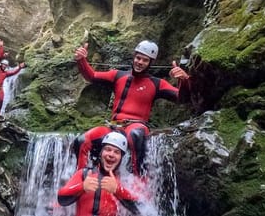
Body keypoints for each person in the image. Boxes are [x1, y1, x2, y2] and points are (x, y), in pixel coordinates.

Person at [73, 39, 190, 175]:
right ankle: (80, 177)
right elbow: (92, 76)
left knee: (135, 135)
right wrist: (81, 60)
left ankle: (139, 180)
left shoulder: (157, 83)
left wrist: (184, 80)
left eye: (144, 60)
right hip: (113, 126)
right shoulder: (118, 75)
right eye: (138, 57)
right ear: (134, 57)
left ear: (150, 63)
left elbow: (182, 98)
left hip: (136, 126)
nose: (139, 62)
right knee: (82, 140)